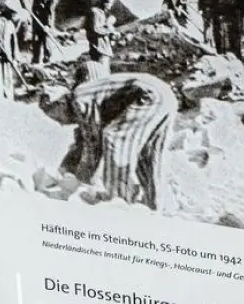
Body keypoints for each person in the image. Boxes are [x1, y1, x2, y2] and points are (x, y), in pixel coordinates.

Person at [56, 63, 177, 211]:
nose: (61, 123)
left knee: (115, 139)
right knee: (149, 154)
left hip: (149, 95)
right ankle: (155, 207)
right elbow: (86, 141)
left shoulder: (79, 98)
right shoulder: (100, 94)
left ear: (61, 103)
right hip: (165, 96)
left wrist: (80, 181)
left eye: (57, 117)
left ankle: (119, 204)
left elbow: (94, 143)